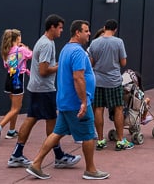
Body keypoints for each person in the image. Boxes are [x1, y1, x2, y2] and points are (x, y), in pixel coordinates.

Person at [26, 20, 109, 181]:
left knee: (57, 133)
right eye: (86, 31)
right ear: (77, 33)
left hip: (65, 102)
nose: (89, 33)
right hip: (76, 103)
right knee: (89, 136)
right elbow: (78, 77)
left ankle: (36, 163)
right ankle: (90, 170)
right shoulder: (77, 52)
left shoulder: (66, 49)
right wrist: (84, 101)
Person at [7, 14, 81, 170]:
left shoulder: (44, 41)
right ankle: (59, 156)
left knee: (31, 118)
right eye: (60, 27)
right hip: (44, 89)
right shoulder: (47, 44)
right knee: (52, 122)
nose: (61, 31)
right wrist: (61, 66)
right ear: (52, 27)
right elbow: (43, 70)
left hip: (36, 88)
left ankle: (17, 154)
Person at [88, 19, 133, 152]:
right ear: (115, 30)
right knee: (118, 108)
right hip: (114, 81)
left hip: (98, 81)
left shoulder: (94, 43)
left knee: (98, 109)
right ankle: (120, 141)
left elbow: (91, 62)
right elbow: (123, 62)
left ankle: (101, 140)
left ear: (104, 27)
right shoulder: (118, 42)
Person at [0, 29, 32, 144]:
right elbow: (32, 55)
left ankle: (11, 131)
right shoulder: (22, 50)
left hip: (9, 79)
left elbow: (6, 65)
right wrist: (26, 47)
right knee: (16, 108)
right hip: (18, 79)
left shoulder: (6, 51)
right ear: (17, 38)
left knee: (13, 108)